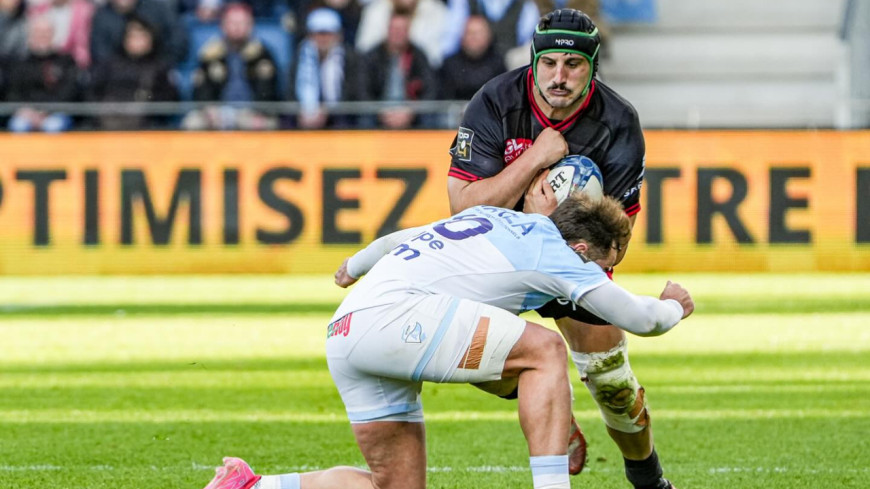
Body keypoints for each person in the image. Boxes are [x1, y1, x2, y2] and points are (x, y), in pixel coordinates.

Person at [200, 193, 694, 489]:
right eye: (604, 267)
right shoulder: (556, 252)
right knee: (546, 351)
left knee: (393, 487)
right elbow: (641, 319)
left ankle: (252, 484)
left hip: (347, 328)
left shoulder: (492, 217)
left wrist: (353, 266)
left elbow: (396, 240)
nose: (602, 277)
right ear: (582, 248)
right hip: (398, 317)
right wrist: (674, 304)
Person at [445, 8, 677, 489]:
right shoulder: (494, 101)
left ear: (593, 67)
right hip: (498, 255)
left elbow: (615, 246)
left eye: (573, 64)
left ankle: (649, 479)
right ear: (533, 62)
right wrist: (536, 158)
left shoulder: (618, 121)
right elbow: (462, 209)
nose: (559, 77)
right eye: (548, 63)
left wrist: (548, 226)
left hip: (573, 263)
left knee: (613, 384)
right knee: (461, 349)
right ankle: (551, 402)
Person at [182, 2, 280, 130]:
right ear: (222, 25)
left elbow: (270, 91)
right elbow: (201, 89)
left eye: (241, 23)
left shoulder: (262, 54)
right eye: (233, 23)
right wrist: (209, 110)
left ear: (251, 25)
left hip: (251, 113)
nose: (237, 27)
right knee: (192, 122)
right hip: (217, 112)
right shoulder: (210, 53)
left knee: (267, 124)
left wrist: (260, 112)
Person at [88, 16, 179, 130]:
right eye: (132, 36)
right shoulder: (109, 65)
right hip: (106, 125)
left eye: (141, 36)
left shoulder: (160, 67)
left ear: (151, 39)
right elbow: (92, 93)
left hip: (147, 128)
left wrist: (148, 97)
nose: (136, 41)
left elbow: (169, 101)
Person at [355, 11, 437, 129]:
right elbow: (363, 91)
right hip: (377, 114)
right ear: (387, 30)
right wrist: (380, 112)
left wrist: (411, 112)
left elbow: (430, 90)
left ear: (409, 31)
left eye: (402, 30)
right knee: (364, 120)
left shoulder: (419, 56)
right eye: (395, 29)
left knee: (429, 120)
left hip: (411, 115)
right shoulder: (372, 57)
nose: (398, 33)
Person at [6, 15, 79, 132]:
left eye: (46, 32)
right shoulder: (19, 62)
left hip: (57, 112)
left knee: (53, 126)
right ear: (30, 35)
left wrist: (47, 111)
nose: (42, 36)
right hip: (26, 113)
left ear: (53, 34)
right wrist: (27, 111)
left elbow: (69, 91)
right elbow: (13, 92)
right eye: (38, 32)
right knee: (18, 126)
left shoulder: (66, 61)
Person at [290, 7, 358, 129]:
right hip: (303, 121)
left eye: (328, 33)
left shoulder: (349, 59)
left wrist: (327, 111)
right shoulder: (299, 57)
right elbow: (289, 93)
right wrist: (302, 112)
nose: (323, 38)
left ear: (338, 35)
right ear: (310, 35)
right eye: (319, 33)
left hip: (341, 122)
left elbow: (355, 94)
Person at [439, 14, 507, 100]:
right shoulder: (449, 65)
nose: (473, 37)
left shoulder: (498, 64)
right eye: (469, 33)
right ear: (462, 36)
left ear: (489, 36)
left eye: (478, 33)